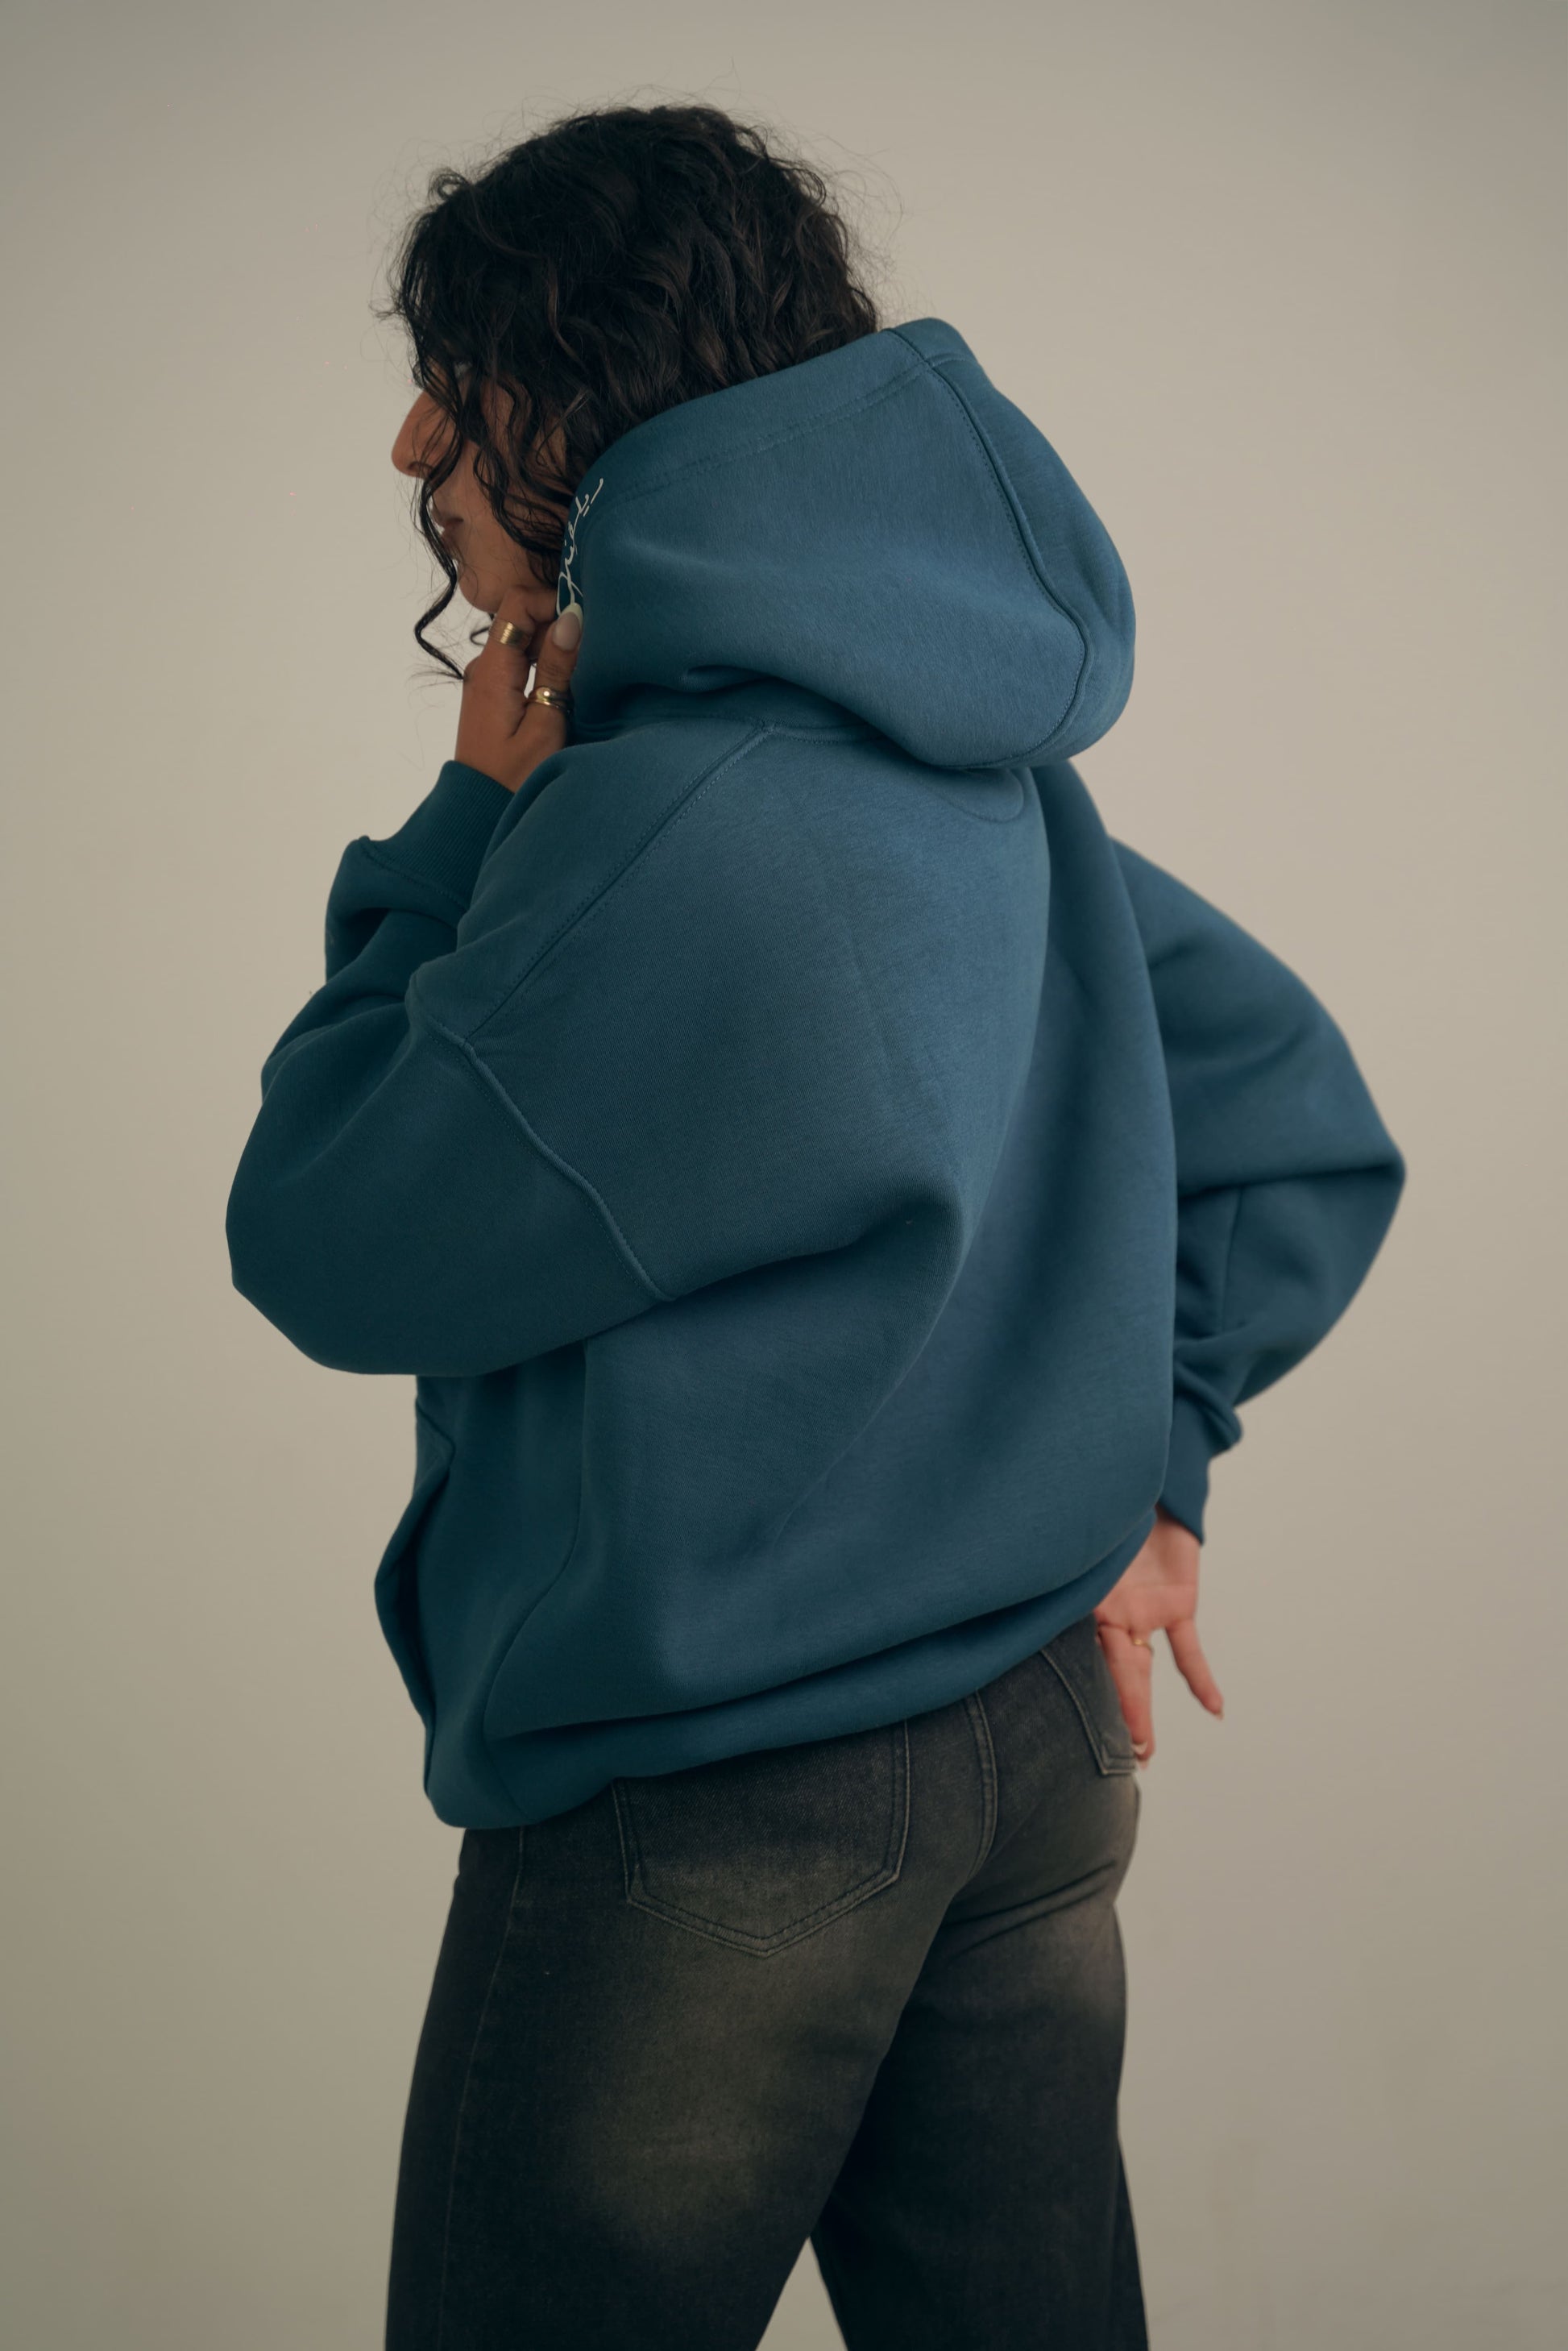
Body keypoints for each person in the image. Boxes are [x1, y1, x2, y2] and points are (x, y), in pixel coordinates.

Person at [224, 101, 1404, 2351]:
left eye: (455, 379)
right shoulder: (987, 771)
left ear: (578, 393)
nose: (412, 445)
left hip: (721, 1803)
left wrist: (463, 824)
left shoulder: (653, 829)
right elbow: (1287, 1108)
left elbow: (325, 1225)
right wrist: (1154, 1472)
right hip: (1033, 1748)